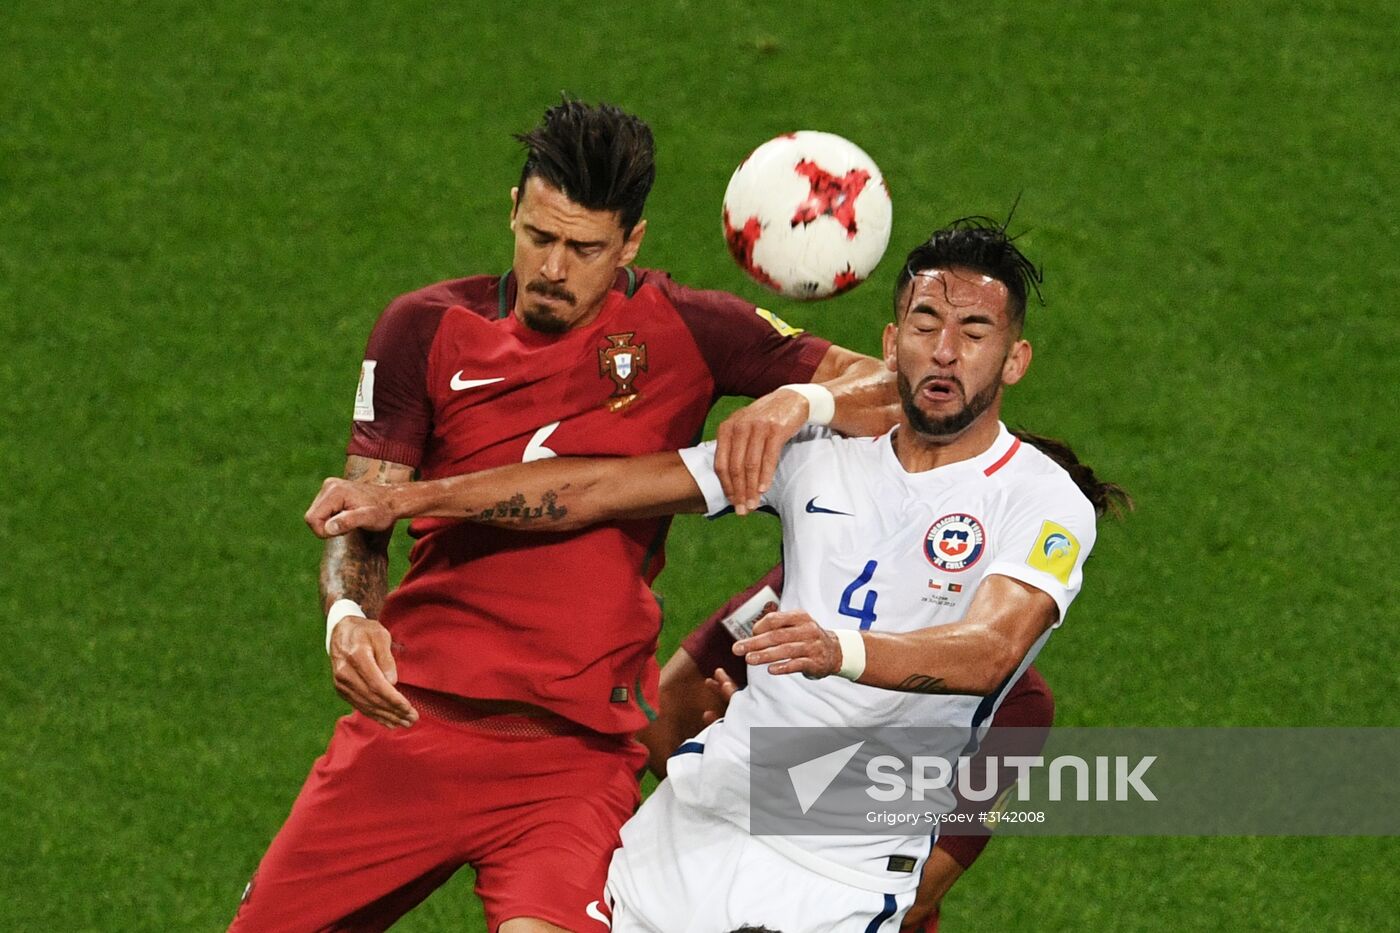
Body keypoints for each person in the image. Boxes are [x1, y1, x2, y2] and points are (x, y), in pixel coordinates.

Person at [305, 218, 1132, 930]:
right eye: (924, 322)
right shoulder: (814, 456)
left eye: (974, 332)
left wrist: (839, 648)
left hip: (834, 872)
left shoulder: (1042, 499)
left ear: (1014, 359)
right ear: (890, 341)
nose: (944, 351)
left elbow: (992, 649)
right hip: (690, 828)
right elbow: (599, 487)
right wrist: (415, 498)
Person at [231, 99, 896, 933]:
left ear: (631, 244)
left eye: (584, 249)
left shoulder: (690, 328)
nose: (554, 267)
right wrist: (347, 617)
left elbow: (886, 383)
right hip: (414, 722)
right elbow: (364, 508)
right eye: (539, 236)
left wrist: (796, 399)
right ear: (513, 210)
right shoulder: (426, 327)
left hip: (573, 760)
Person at [640, 565, 1057, 933]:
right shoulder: (811, 578)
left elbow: (920, 892)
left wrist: (756, 762)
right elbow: (664, 716)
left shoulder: (1019, 702)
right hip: (690, 885)